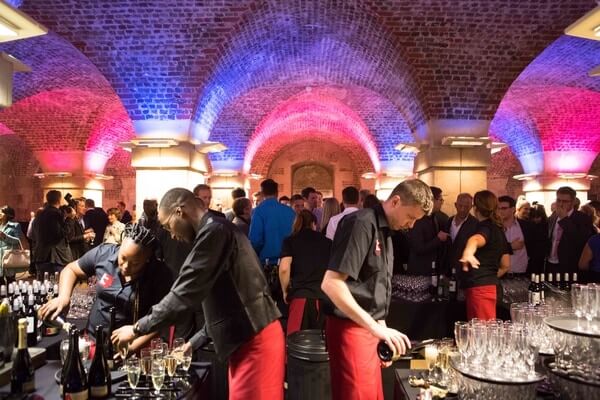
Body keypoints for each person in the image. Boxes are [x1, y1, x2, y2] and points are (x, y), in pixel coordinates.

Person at [111, 188, 284, 400]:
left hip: (255, 339)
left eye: (168, 227)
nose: (172, 235)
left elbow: (183, 295)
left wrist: (137, 328)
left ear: (179, 212)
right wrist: (191, 345)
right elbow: (225, 304)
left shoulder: (215, 232)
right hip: (249, 337)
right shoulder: (216, 229)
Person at [321, 179, 433, 400]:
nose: (411, 225)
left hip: (366, 328)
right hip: (349, 329)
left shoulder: (387, 232)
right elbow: (331, 283)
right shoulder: (361, 223)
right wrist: (375, 327)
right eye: (411, 217)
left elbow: (373, 288)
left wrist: (382, 331)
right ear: (395, 201)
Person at [39, 224, 173, 353]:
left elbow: (163, 318)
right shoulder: (104, 254)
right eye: (123, 258)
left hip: (134, 345)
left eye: (135, 263)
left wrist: (132, 347)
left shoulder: (159, 274)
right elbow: (71, 269)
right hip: (93, 340)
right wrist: (63, 297)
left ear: (147, 259)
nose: (126, 266)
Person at [459, 190, 511, 320]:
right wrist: (488, 278)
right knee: (484, 332)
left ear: (475, 208)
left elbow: (476, 239)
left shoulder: (484, 228)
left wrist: (468, 252)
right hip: (491, 286)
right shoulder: (498, 229)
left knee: (481, 334)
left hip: (481, 290)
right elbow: (505, 265)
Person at [280, 210, 332, 335]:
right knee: (321, 345)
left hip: (301, 296)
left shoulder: (290, 241)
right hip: (323, 298)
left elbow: (284, 268)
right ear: (314, 223)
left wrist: (285, 291)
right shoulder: (328, 242)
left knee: (296, 343)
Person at [546, 186, 595, 275]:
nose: (560, 204)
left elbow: (580, 241)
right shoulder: (553, 217)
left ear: (572, 202)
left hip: (569, 266)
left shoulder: (582, 218)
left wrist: (564, 219)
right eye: (558, 200)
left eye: (565, 201)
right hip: (551, 264)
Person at [248, 179, 296, 264]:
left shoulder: (259, 211)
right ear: (277, 193)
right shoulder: (290, 211)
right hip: (289, 260)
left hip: (268, 261)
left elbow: (255, 240)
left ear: (262, 193)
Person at [406, 186, 449, 275]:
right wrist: (438, 239)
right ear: (432, 200)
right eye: (440, 200)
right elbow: (418, 247)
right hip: (419, 273)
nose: (442, 203)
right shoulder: (418, 219)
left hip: (432, 270)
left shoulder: (435, 217)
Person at [34, 190, 72, 277]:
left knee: (42, 287)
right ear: (59, 200)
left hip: (41, 256)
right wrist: (70, 219)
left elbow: (32, 234)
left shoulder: (39, 214)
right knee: (57, 287)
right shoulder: (56, 214)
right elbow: (61, 234)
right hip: (56, 258)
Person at [497, 195, 537, 275]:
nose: (500, 211)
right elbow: (490, 250)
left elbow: (535, 250)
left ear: (513, 209)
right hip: (500, 273)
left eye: (504, 208)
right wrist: (510, 247)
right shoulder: (493, 227)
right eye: (498, 208)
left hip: (522, 273)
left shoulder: (527, 226)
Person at [444, 193, 478, 276]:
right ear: (455, 205)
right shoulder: (448, 221)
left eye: (466, 207)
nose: (462, 209)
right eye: (460, 206)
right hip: (447, 269)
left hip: (465, 270)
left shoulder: (475, 224)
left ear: (471, 207)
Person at [0, 205, 23, 280]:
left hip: (9, 255)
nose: (0, 213)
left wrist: (5, 236)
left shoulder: (15, 225)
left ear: (7, 214)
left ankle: (11, 292)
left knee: (10, 279)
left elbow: (18, 240)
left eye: (2, 212)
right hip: (0, 256)